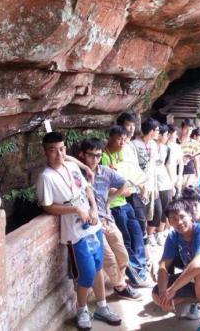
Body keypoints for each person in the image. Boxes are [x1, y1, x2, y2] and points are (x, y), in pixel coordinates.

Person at [36, 132, 121, 330]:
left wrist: (92, 208)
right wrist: (75, 209)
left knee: (98, 267)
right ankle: (82, 309)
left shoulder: (72, 166)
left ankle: (101, 306)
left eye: (62, 149)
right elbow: (47, 207)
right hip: (75, 233)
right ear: (45, 153)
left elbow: (87, 188)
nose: (58, 154)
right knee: (87, 272)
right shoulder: (45, 177)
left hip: (93, 225)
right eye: (53, 150)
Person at [152, 199, 200, 331]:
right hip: (193, 280)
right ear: (169, 222)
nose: (179, 222)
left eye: (182, 216)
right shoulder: (173, 236)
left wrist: (173, 289)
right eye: (173, 219)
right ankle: (197, 302)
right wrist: (164, 294)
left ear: (190, 215)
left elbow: (198, 266)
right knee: (156, 294)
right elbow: (164, 266)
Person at [79, 137, 141, 300]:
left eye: (98, 155)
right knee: (109, 257)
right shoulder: (76, 173)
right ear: (82, 155)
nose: (95, 159)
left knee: (123, 254)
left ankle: (118, 281)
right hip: (91, 224)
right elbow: (65, 158)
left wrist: (109, 201)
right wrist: (84, 167)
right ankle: (120, 286)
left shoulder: (105, 171)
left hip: (107, 219)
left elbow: (125, 184)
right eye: (91, 155)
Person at [101, 126, 150, 287]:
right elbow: (104, 187)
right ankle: (135, 276)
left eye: (124, 139)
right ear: (110, 138)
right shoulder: (103, 157)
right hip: (114, 206)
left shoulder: (119, 154)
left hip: (125, 203)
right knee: (126, 241)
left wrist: (135, 188)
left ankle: (141, 271)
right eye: (119, 139)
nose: (122, 142)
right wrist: (123, 191)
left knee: (137, 234)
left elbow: (128, 176)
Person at [154, 124, 174, 246]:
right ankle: (151, 233)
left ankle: (160, 232)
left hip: (164, 182)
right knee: (156, 209)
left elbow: (168, 166)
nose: (167, 137)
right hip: (152, 183)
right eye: (166, 134)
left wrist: (172, 183)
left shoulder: (166, 149)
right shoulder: (150, 147)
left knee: (165, 209)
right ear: (159, 135)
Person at [166, 124, 184, 197]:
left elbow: (181, 163)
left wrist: (179, 177)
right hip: (166, 179)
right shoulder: (164, 146)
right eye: (175, 134)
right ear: (169, 134)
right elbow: (167, 165)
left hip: (174, 177)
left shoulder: (177, 147)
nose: (176, 136)